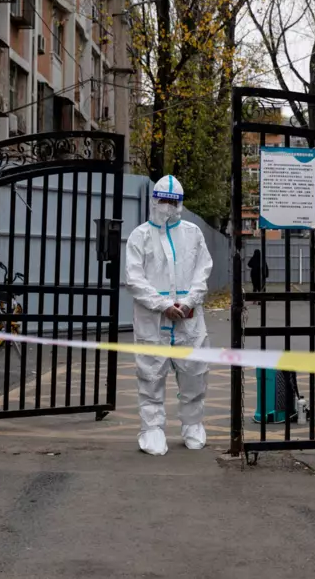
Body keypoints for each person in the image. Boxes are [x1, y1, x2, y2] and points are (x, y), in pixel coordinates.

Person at [125, 175, 214, 456]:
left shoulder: (192, 233)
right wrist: (162, 304)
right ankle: (152, 428)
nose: (168, 207)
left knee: (194, 373)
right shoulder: (140, 236)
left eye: (173, 202)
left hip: (189, 319)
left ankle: (193, 424)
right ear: (154, 200)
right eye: (164, 200)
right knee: (151, 374)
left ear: (180, 204)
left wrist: (189, 302)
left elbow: (203, 271)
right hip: (154, 320)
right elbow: (134, 278)